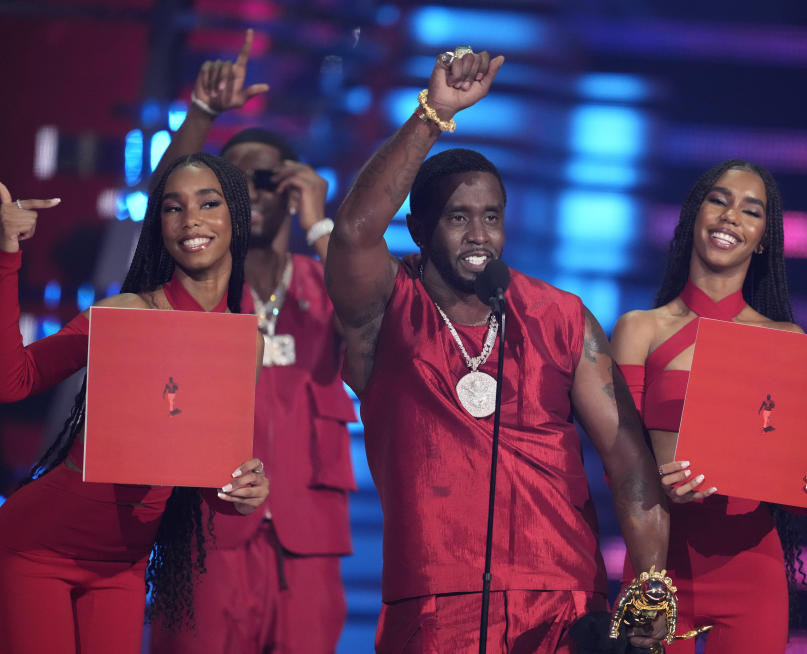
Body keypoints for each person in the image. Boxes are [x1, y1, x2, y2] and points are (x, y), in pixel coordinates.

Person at [325, 48, 669, 653]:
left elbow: (628, 462)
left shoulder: (559, 316)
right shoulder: (387, 311)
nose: (479, 234)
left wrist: (648, 591)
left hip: (564, 602)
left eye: (491, 216)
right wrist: (434, 114)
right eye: (458, 218)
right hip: (434, 605)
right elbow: (354, 230)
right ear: (419, 230)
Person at [0, 152, 270, 654]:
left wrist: (240, 493)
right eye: (173, 208)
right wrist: (6, 254)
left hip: (122, 567)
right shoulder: (123, 315)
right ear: (159, 224)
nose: (190, 219)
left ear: (235, 214)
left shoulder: (243, 342)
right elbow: (13, 381)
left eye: (208, 203)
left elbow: (206, 478)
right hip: (36, 549)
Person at [148, 29, 357, 654]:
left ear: (292, 188)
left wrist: (322, 222)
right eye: (229, 185)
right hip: (207, 534)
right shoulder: (194, 284)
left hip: (309, 543)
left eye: (267, 180)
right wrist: (203, 114)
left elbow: (384, 321)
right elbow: (163, 208)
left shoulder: (327, 285)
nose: (251, 194)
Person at [611, 160, 807, 653]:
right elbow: (622, 462)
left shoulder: (788, 342)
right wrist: (658, 485)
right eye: (719, 201)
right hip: (659, 562)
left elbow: (788, 465)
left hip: (751, 568)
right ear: (694, 216)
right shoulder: (640, 330)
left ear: (763, 238)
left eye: (751, 210)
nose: (730, 217)